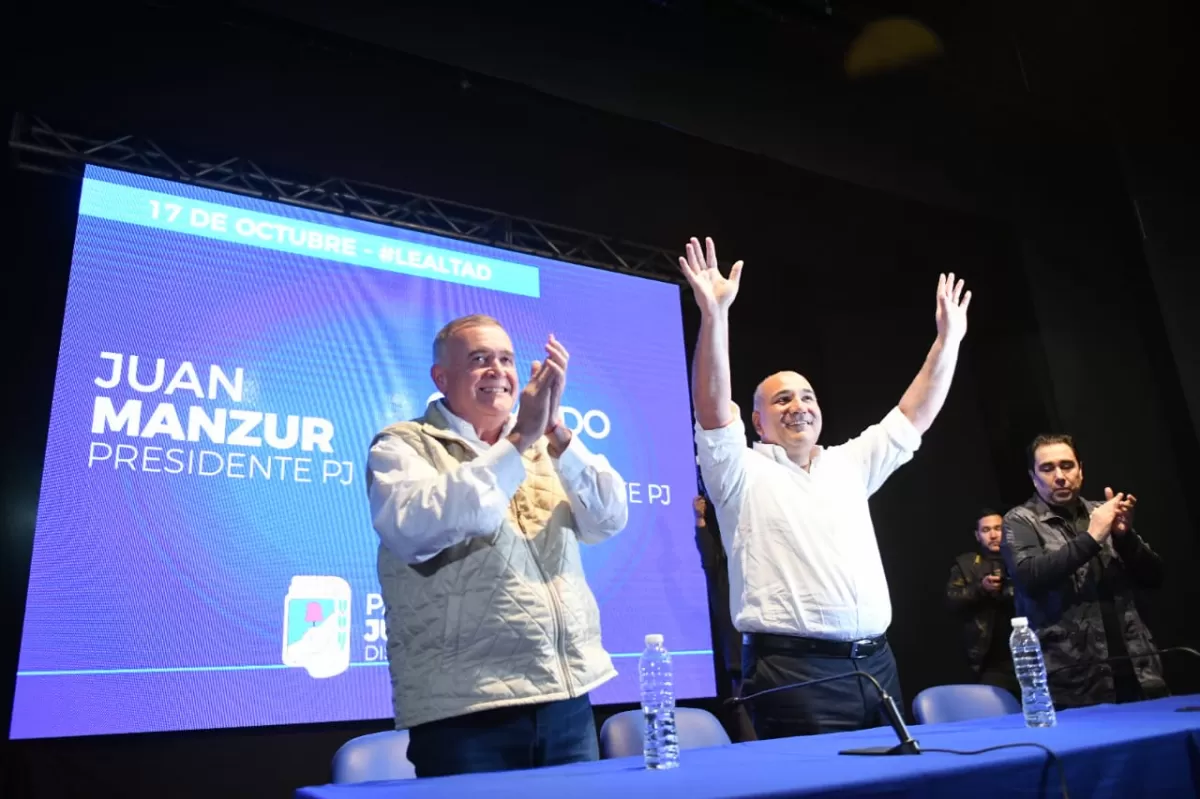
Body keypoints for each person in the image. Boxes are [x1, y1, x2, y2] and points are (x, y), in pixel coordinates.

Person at [681, 236, 971, 738]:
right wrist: (714, 316)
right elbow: (711, 410)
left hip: (878, 666)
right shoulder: (739, 470)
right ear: (757, 421)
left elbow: (912, 417)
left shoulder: (848, 464)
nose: (800, 405)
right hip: (794, 674)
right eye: (782, 399)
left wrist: (948, 343)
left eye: (808, 396)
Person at [366, 314, 629, 776]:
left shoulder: (548, 445)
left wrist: (556, 432)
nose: (497, 370)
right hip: (466, 710)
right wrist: (520, 437)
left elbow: (609, 518)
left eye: (505, 359)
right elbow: (414, 531)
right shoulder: (402, 445)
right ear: (441, 378)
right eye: (479, 359)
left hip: (566, 699)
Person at [1002, 433, 1166, 708]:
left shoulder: (1102, 512)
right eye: (1047, 468)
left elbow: (1154, 578)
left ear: (1081, 470)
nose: (1060, 476)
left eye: (1067, 466)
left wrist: (1125, 538)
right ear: (1033, 476)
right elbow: (1029, 577)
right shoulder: (1019, 520)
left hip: (1137, 667)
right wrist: (1092, 538)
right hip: (1074, 678)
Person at [693, 492, 756, 741]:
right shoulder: (724, 580)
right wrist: (700, 521)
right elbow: (710, 560)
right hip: (741, 671)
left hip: (777, 668)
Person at [946, 509, 1019, 698]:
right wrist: (981, 588)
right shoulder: (966, 565)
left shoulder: (1022, 557)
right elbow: (953, 600)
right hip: (991, 661)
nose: (993, 535)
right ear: (978, 536)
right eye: (986, 530)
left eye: (998, 528)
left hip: (1031, 652)